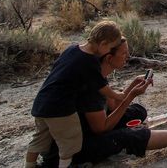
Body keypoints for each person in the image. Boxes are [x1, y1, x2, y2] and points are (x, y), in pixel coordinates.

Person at [39, 38, 167, 167]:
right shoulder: (91, 88)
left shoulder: (99, 76)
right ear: (109, 57)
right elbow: (102, 128)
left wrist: (132, 86)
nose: (128, 55)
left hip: (89, 127)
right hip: (75, 148)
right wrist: (131, 95)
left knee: (137, 112)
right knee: (129, 136)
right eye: (124, 52)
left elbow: (112, 107)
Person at [25, 20, 126, 168]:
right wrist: (117, 96)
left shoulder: (71, 49)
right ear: (103, 43)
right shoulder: (90, 61)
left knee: (40, 139)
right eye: (110, 48)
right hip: (61, 107)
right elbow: (101, 88)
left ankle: (29, 166)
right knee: (70, 140)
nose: (108, 52)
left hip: (42, 103)